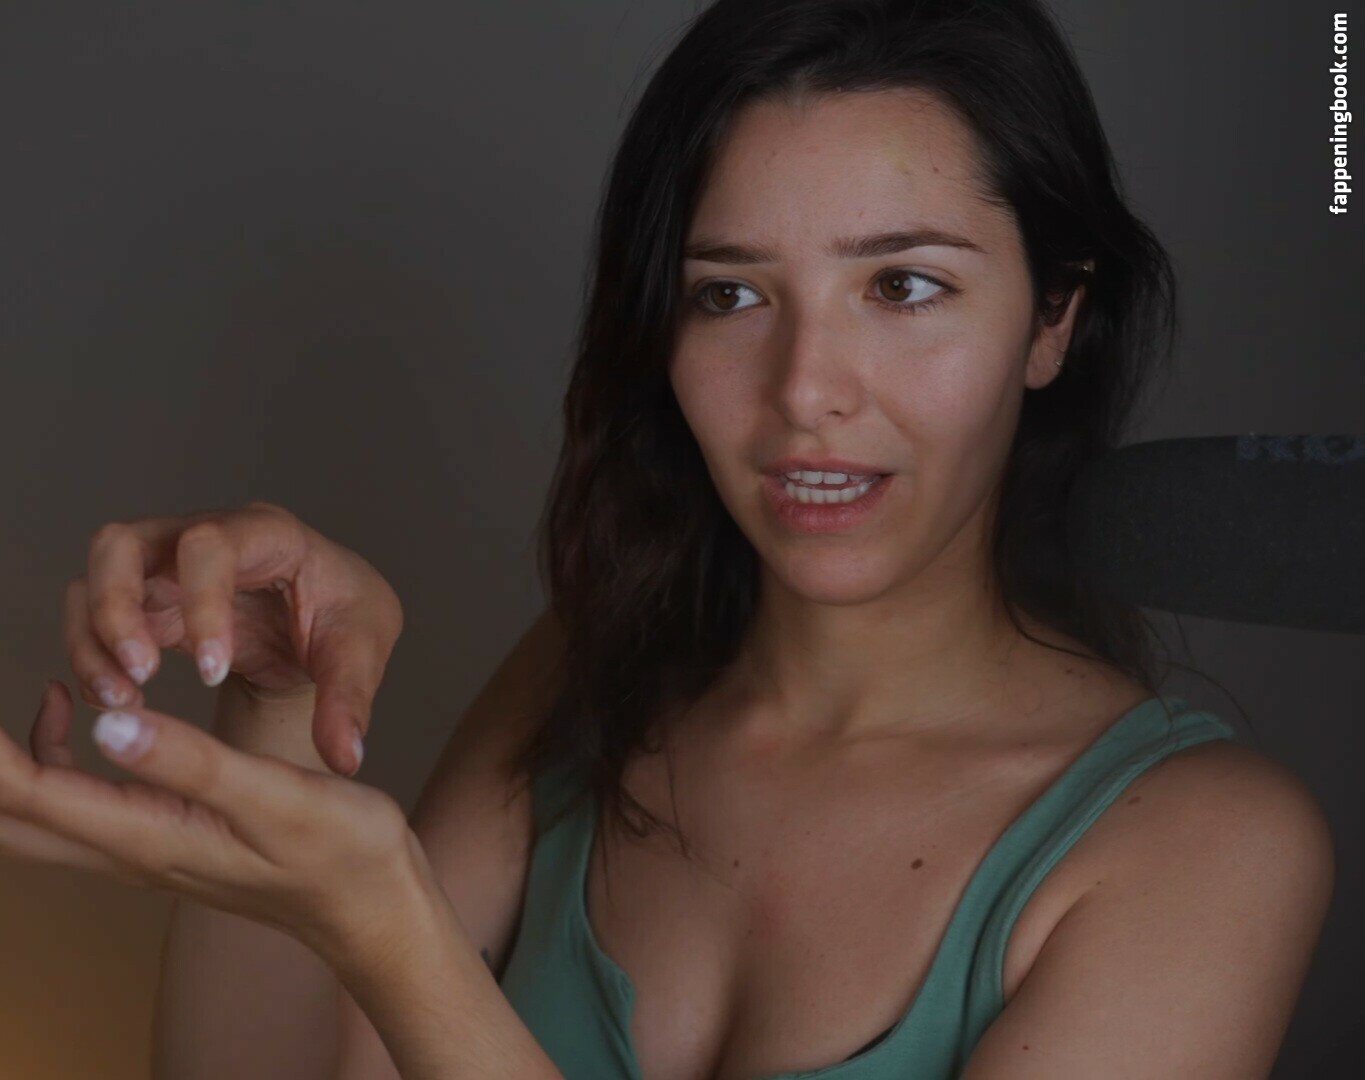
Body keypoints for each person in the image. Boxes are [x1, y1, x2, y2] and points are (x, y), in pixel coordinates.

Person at [7, 1, 1332, 1078]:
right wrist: (276, 703)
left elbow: (401, 970)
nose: (803, 389)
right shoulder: (592, 669)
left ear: (1052, 319)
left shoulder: (1205, 845)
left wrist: (396, 936)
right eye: (731, 295)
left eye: (904, 285)